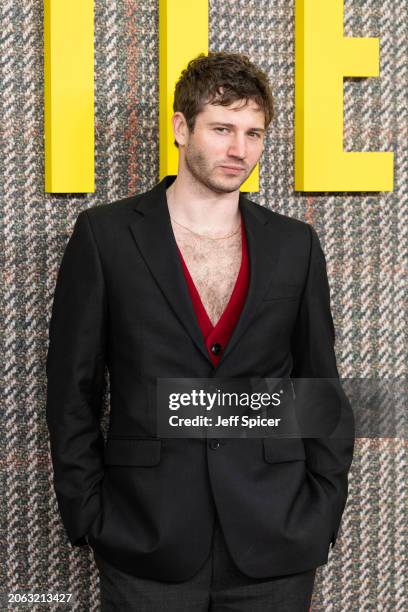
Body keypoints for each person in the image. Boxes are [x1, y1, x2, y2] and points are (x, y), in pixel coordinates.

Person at [46, 51, 355, 611]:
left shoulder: (295, 246)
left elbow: (319, 388)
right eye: (222, 128)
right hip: (144, 537)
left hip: (276, 538)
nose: (240, 149)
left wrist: (322, 509)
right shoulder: (106, 237)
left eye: (254, 132)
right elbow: (73, 391)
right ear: (181, 128)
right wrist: (89, 513)